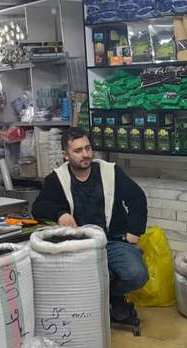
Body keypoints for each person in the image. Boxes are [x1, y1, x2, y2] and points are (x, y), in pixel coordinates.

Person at [32, 127, 149, 325]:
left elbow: (137, 198)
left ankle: (113, 296)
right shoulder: (57, 178)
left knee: (137, 275)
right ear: (65, 155)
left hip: (112, 241)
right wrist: (60, 213)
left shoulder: (110, 172)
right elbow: (39, 207)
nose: (85, 154)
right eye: (78, 150)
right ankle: (91, 304)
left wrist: (134, 231)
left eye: (87, 148)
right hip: (78, 246)